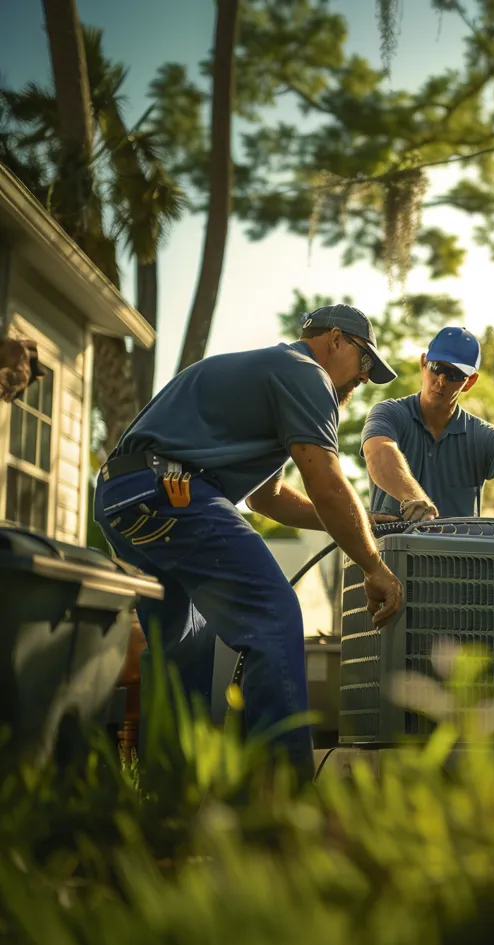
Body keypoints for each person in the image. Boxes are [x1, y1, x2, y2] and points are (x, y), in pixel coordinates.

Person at [93, 303, 404, 782]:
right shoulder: (307, 375)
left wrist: (358, 519)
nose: (363, 380)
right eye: (365, 363)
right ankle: (282, 801)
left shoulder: (271, 375)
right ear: (336, 340)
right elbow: (324, 482)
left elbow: (268, 498)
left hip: (124, 495)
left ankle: (169, 800)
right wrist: (373, 564)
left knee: (184, 646)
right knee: (273, 613)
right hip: (173, 491)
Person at [361, 325, 494, 537]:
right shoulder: (389, 414)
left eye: (453, 374)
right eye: (436, 367)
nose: (441, 380)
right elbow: (379, 453)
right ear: (423, 363)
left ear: (469, 381)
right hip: (390, 559)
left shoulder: (486, 438)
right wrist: (414, 499)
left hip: (459, 563)